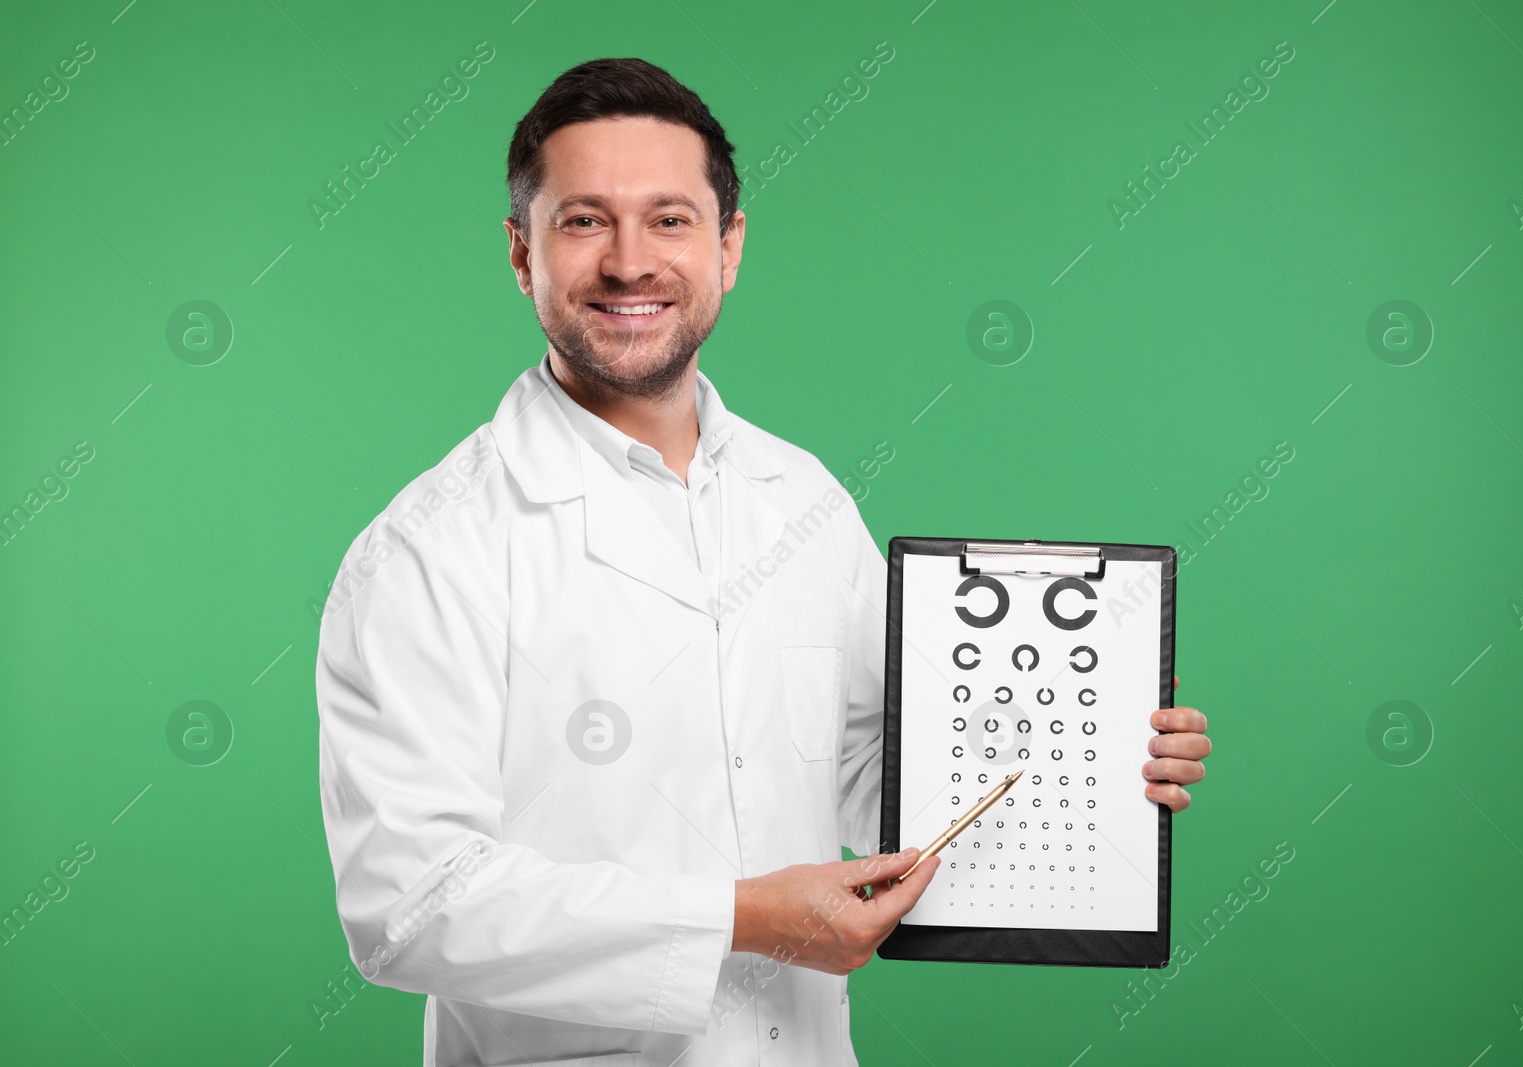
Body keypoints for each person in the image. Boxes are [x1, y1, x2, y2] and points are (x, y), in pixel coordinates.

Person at [315, 56, 1211, 1067]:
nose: (628, 261)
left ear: (728, 245)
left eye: (669, 218)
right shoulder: (428, 549)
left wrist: (1087, 752)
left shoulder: (805, 500)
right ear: (521, 253)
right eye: (583, 220)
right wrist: (736, 918)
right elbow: (407, 905)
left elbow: (879, 770)